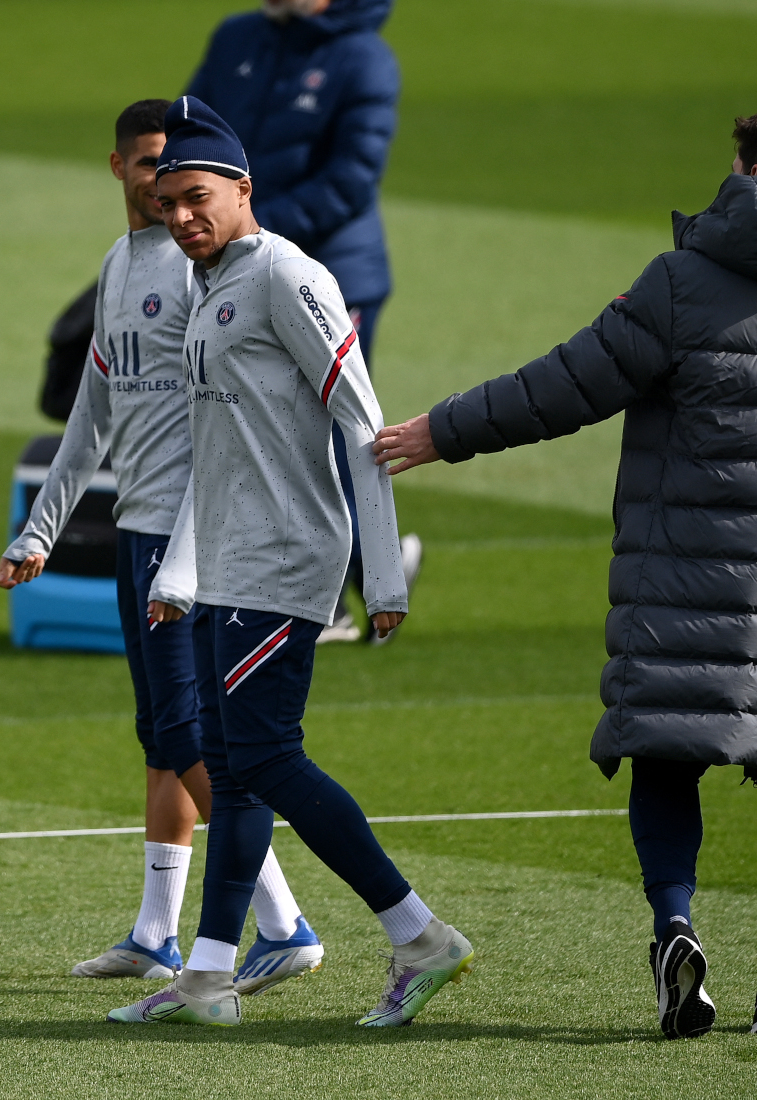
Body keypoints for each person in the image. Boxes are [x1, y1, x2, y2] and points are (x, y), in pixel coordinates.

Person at [372, 107, 757, 1039]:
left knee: (667, 753)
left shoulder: (679, 285)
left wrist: (441, 432)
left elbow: (565, 384)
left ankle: (675, 925)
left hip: (679, 578)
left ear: (752, 175)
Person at [107, 97, 473, 1028]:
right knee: (231, 771)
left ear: (242, 189)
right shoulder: (211, 288)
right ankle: (208, 978)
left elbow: (364, 418)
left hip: (288, 558)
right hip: (230, 564)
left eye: (197, 197)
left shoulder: (287, 276)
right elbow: (211, 448)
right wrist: (179, 573)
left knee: (267, 757)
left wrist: (382, 577)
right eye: (165, 202)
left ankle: (420, 934)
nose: (180, 216)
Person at [0, 100, 323, 996]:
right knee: (159, 734)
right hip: (135, 525)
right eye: (146, 164)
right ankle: (155, 932)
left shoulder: (202, 272)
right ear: (118, 169)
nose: (160, 182)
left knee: (190, 731)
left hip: (194, 537)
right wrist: (41, 527)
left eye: (174, 168)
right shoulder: (121, 265)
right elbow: (94, 410)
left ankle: (283, 921)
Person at [187, 0, 421, 645]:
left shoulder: (364, 58)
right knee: (251, 424)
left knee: (326, 431)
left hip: (325, 276)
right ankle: (369, 572)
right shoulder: (239, 35)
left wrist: (246, 233)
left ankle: (363, 586)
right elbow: (190, 140)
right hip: (235, 268)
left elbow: (349, 180)